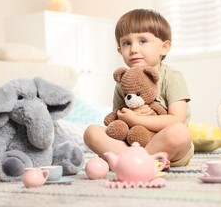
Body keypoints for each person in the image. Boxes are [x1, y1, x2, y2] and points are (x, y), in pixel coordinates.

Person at [83, 9, 193, 168]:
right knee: (91, 132)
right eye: (127, 43)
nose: (133, 49)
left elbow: (177, 119)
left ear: (164, 47)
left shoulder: (172, 76)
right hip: (131, 144)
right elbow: (115, 123)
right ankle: (143, 162)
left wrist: (136, 119)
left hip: (167, 147)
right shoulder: (123, 80)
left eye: (142, 41)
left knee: (180, 132)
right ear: (120, 51)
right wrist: (127, 117)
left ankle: (132, 162)